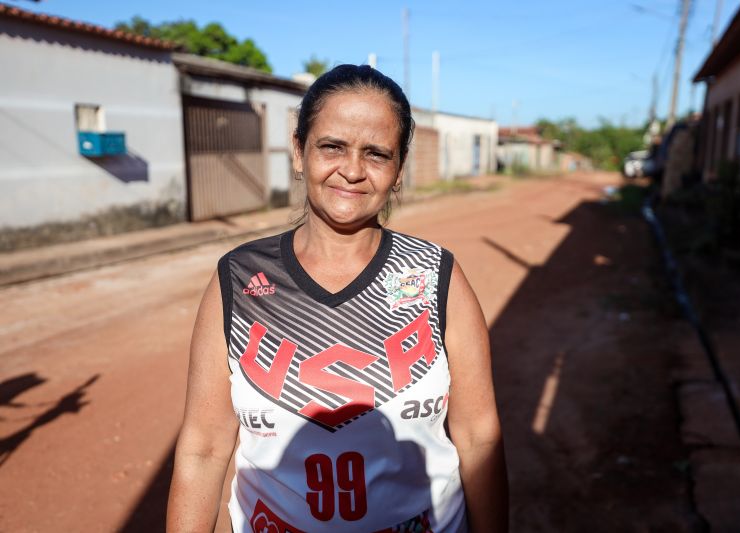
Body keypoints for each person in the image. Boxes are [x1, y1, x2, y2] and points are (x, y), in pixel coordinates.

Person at [167, 64, 508, 533]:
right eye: (332, 146)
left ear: (398, 170)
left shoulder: (436, 275)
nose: (351, 170)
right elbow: (204, 447)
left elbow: (478, 438)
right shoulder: (239, 279)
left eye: (377, 154)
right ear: (298, 151)